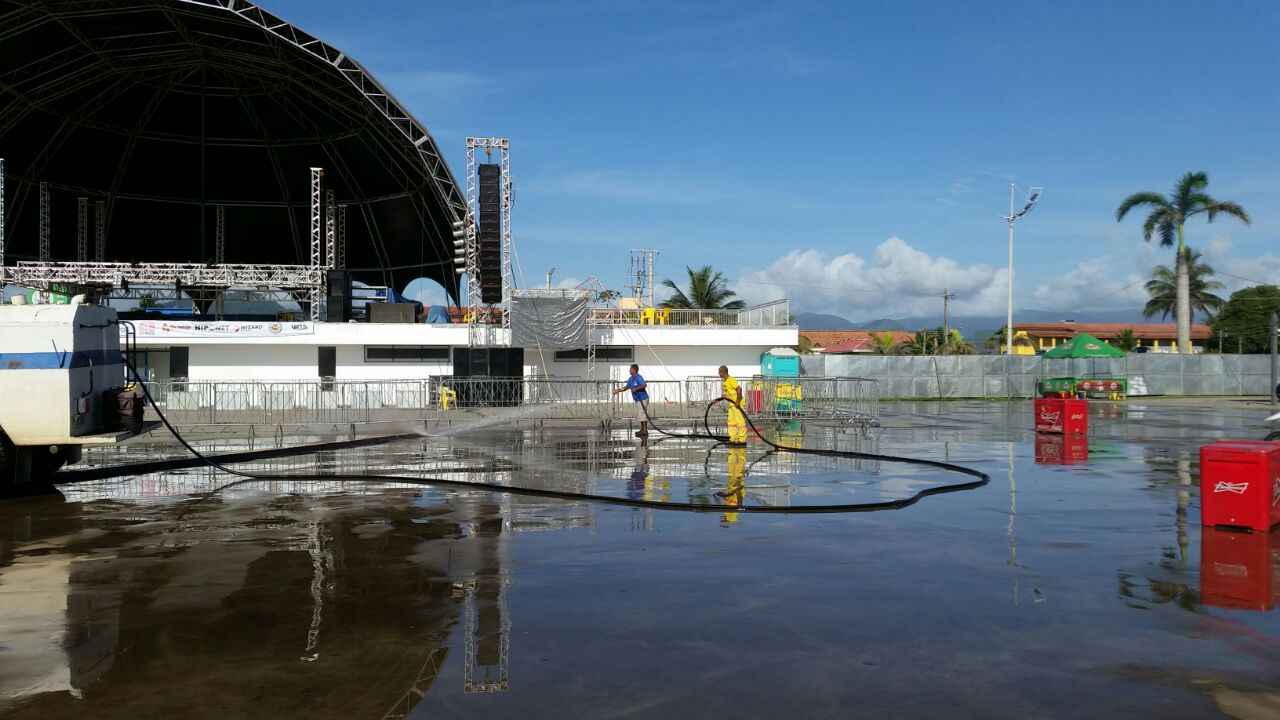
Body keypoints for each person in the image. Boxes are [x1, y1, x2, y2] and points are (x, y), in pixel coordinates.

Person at [613, 363, 649, 437]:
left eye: (630, 369)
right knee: (640, 414)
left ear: (634, 370)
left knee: (642, 414)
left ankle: (645, 430)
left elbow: (644, 385)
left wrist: (636, 388)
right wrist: (618, 390)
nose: (629, 370)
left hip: (643, 398)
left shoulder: (638, 377)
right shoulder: (631, 379)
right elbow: (626, 387)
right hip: (638, 399)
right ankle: (642, 429)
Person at [718, 365, 747, 445]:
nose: (719, 374)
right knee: (731, 423)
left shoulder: (731, 380)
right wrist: (723, 396)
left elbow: (739, 389)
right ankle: (733, 438)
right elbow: (729, 393)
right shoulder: (725, 382)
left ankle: (742, 439)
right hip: (731, 405)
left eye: (719, 372)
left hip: (737, 405)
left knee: (740, 422)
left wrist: (737, 401)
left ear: (723, 372)